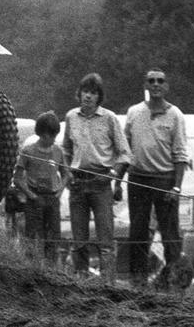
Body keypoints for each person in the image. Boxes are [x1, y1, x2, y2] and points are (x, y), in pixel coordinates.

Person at [62, 73, 131, 280]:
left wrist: (113, 174)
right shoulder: (71, 117)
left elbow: (125, 153)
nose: (88, 96)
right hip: (77, 183)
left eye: (93, 93)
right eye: (85, 91)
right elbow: (65, 149)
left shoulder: (109, 118)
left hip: (101, 183)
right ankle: (81, 281)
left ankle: (107, 284)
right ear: (79, 93)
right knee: (79, 240)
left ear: (99, 96)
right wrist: (67, 171)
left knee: (105, 240)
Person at [125, 68, 190, 287]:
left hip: (165, 178)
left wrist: (177, 187)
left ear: (166, 86)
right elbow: (125, 148)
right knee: (138, 231)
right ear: (146, 85)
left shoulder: (175, 115)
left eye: (160, 81)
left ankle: (173, 279)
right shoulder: (134, 112)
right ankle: (138, 280)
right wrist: (117, 180)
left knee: (170, 232)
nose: (155, 84)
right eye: (151, 81)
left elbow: (181, 153)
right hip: (138, 178)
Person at [13, 111, 70, 264]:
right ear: (41, 134)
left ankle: (51, 269)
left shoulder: (58, 151)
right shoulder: (28, 151)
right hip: (34, 199)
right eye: (49, 136)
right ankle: (33, 267)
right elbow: (17, 178)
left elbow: (66, 174)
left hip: (52, 198)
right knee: (33, 238)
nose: (52, 139)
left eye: (54, 136)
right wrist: (31, 195)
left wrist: (59, 191)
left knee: (53, 237)